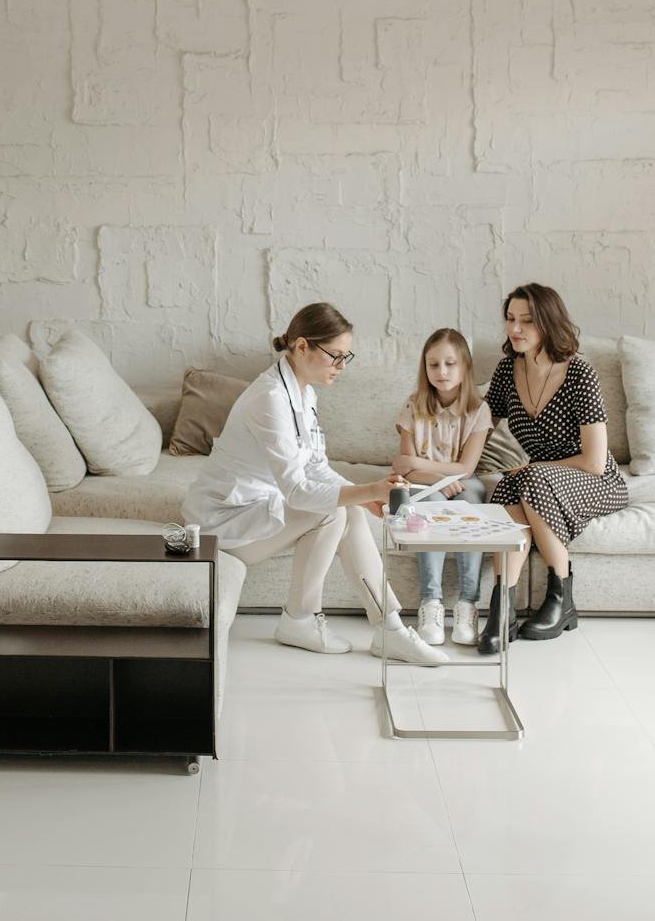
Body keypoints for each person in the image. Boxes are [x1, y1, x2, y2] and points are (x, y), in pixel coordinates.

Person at [183, 302, 446, 666]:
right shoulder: (269, 399)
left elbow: (316, 467)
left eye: (345, 357)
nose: (341, 366)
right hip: (226, 523)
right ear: (302, 346)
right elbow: (297, 491)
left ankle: (390, 628)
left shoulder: (304, 392)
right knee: (331, 513)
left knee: (345, 510)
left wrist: (363, 496)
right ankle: (301, 619)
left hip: (259, 507)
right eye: (335, 356)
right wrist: (369, 490)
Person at [479, 283, 627, 654]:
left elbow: (594, 460)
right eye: (511, 319)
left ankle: (562, 597)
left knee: (527, 477)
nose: (515, 328)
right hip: (539, 479)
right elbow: (481, 427)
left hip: (595, 479)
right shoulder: (506, 370)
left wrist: (533, 468)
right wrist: (449, 468)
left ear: (548, 323)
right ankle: (503, 608)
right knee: (507, 488)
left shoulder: (580, 374)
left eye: (527, 321)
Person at [391, 328, 491, 646]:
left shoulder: (478, 410)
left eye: (450, 364)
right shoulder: (413, 406)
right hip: (427, 485)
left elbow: (465, 469)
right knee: (428, 508)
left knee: (471, 505)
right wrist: (432, 476)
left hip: (464, 483)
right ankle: (430, 602)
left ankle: (467, 603)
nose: (442, 372)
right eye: (434, 365)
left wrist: (419, 463)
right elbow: (404, 468)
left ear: (464, 367)